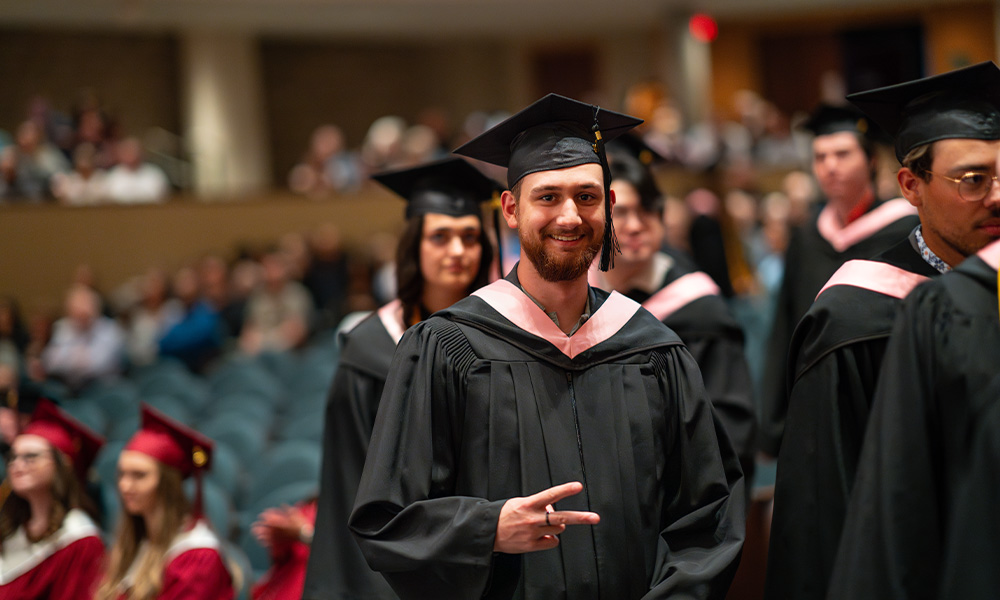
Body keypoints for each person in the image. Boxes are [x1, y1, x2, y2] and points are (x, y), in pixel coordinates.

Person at [349, 94, 745, 599]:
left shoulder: (653, 350)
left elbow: (708, 516)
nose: (570, 217)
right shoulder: (446, 349)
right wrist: (487, 528)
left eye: (586, 196)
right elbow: (386, 521)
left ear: (609, 206)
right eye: (547, 197)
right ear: (511, 209)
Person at [765, 61, 1000, 600]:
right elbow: (822, 517)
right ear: (910, 186)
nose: (996, 195)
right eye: (972, 179)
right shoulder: (856, 318)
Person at [301, 156, 498, 600]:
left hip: (483, 558)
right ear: (414, 246)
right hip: (391, 574)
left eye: (469, 237)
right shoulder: (370, 352)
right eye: (440, 237)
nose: (457, 251)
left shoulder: (502, 339)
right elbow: (351, 483)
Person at [590, 141, 756, 491]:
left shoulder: (698, 309)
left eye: (647, 210)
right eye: (620, 212)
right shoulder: (578, 303)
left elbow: (729, 433)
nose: (635, 225)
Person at [757, 103, 920, 458]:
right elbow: (786, 324)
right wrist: (772, 422)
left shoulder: (905, 230)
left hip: (887, 400)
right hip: (816, 403)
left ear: (871, 161)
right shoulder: (806, 237)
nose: (830, 166)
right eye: (820, 157)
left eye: (843, 154)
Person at [97, 404, 235, 600]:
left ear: (168, 485)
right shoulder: (134, 542)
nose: (125, 486)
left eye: (139, 476)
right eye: (122, 474)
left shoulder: (197, 556)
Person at [0, 399, 105, 599]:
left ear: (62, 464)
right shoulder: (10, 530)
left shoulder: (80, 541)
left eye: (30, 456)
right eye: (12, 457)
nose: (17, 465)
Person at [41, 284, 125, 392]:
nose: (81, 318)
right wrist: (77, 359)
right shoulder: (62, 327)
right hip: (70, 387)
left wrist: (69, 358)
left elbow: (98, 365)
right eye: (77, 314)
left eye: (86, 314)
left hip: (104, 388)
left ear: (96, 311)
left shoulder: (111, 330)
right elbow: (49, 362)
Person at [250, 498, 317, 600]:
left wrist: (304, 534)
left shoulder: (344, 510)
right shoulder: (308, 507)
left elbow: (339, 555)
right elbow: (283, 558)